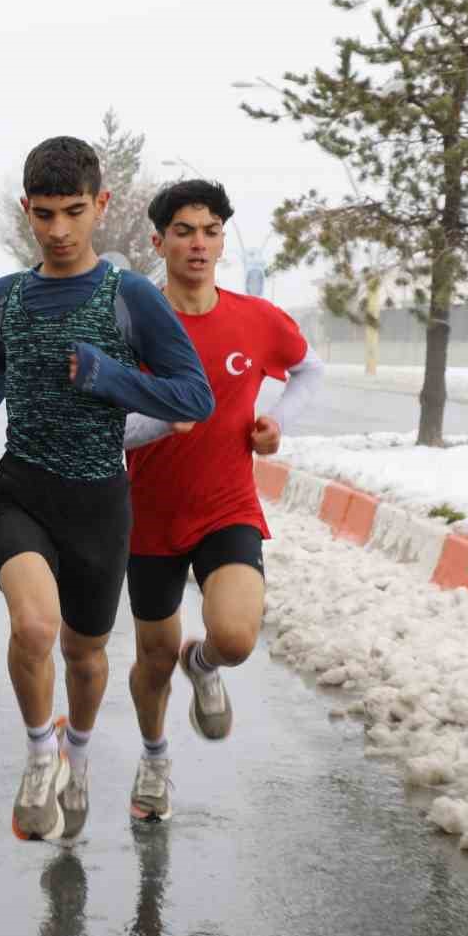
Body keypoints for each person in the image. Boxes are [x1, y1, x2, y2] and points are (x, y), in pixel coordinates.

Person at [0, 136, 213, 843]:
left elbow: (195, 396)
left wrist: (108, 376)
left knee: (84, 656)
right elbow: (6, 362)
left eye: (73, 211)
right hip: (23, 492)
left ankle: (79, 755)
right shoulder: (6, 295)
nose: (59, 230)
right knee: (34, 628)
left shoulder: (129, 297)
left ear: (101, 205)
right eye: (44, 214)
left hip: (99, 503)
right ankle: (41, 754)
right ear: (26, 210)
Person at [123, 179, 325, 822]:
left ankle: (204, 662)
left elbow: (309, 369)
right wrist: (161, 421)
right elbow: (102, 421)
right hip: (147, 517)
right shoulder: (129, 323)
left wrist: (277, 424)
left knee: (236, 637)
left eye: (210, 232)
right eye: (184, 231)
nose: (199, 244)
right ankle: (154, 760)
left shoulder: (256, 319)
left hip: (226, 506)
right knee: (153, 659)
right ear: (159, 242)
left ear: (220, 243)